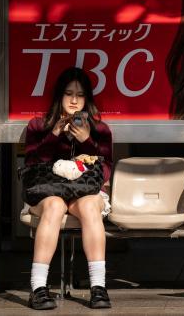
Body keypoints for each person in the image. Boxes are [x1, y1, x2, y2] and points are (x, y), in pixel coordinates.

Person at [23, 67, 113, 310]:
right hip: (47, 192)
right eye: (68, 93)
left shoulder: (99, 129)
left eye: (80, 95)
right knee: (54, 205)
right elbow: (32, 165)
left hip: (84, 192)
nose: (74, 100)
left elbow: (105, 170)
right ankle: (38, 288)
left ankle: (98, 287)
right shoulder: (38, 125)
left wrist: (87, 141)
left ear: (87, 99)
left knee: (89, 206)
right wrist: (53, 135)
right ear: (58, 96)